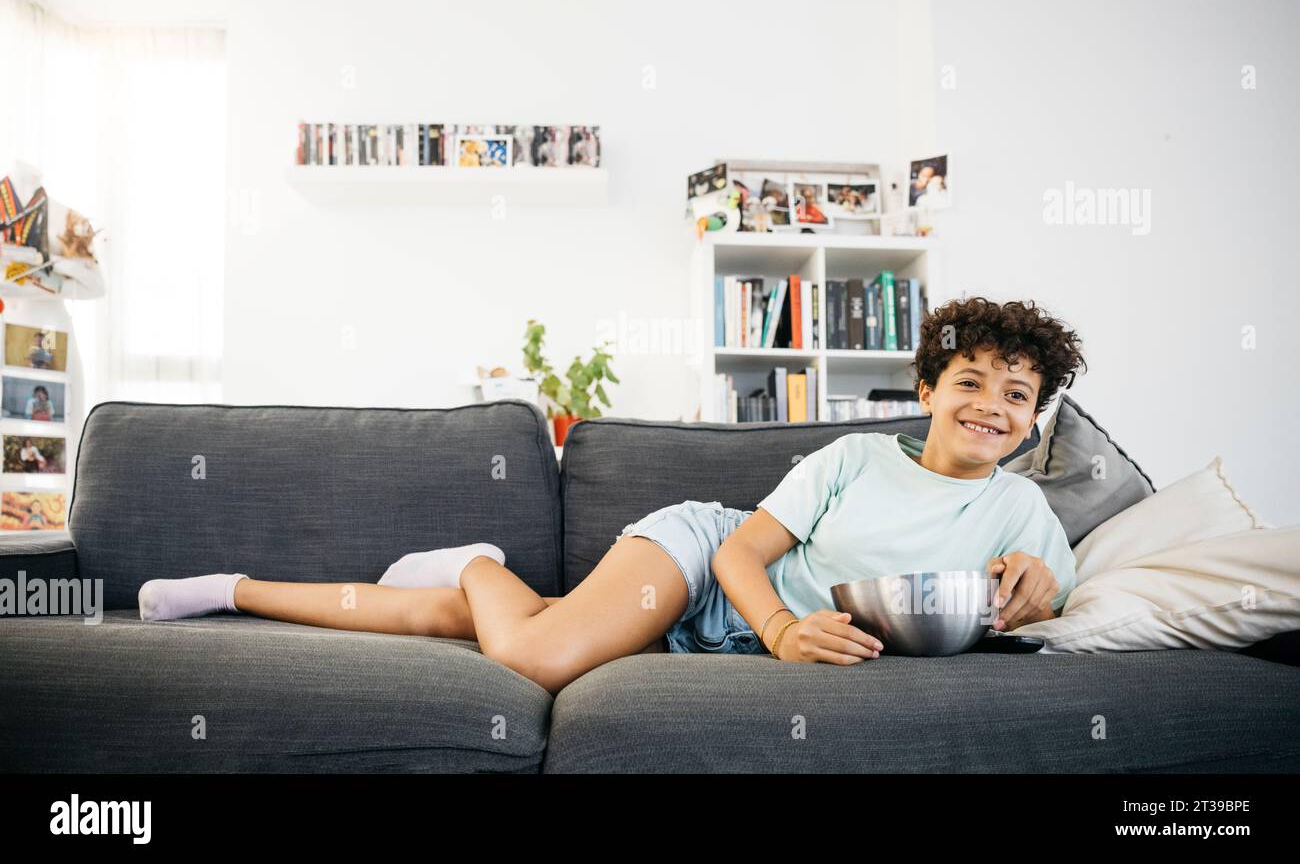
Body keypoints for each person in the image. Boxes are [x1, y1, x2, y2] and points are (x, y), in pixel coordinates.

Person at [137, 297, 1084, 696]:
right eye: (970, 381)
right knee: (537, 658)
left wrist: (1041, 583)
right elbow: (738, 553)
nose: (990, 407)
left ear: (1035, 419)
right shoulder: (857, 457)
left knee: (440, 623)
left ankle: (230, 586)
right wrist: (786, 633)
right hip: (697, 571)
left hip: (719, 629)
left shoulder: (1022, 512)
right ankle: (478, 564)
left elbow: (1058, 589)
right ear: (926, 390)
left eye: (1016, 395)